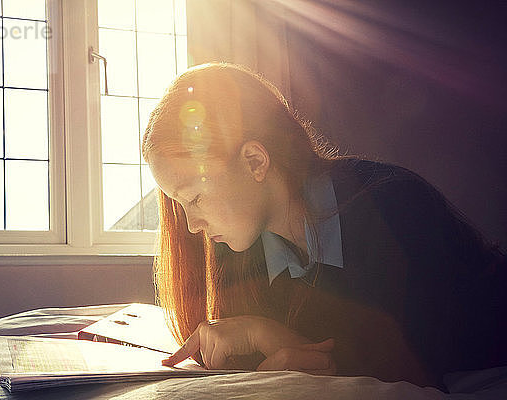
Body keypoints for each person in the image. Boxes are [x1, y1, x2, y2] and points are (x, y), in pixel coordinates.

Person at [141, 62, 507, 391]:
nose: (191, 226)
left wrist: (267, 334)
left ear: (255, 161)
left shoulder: (394, 205)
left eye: (194, 198)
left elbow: (411, 373)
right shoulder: (246, 251)